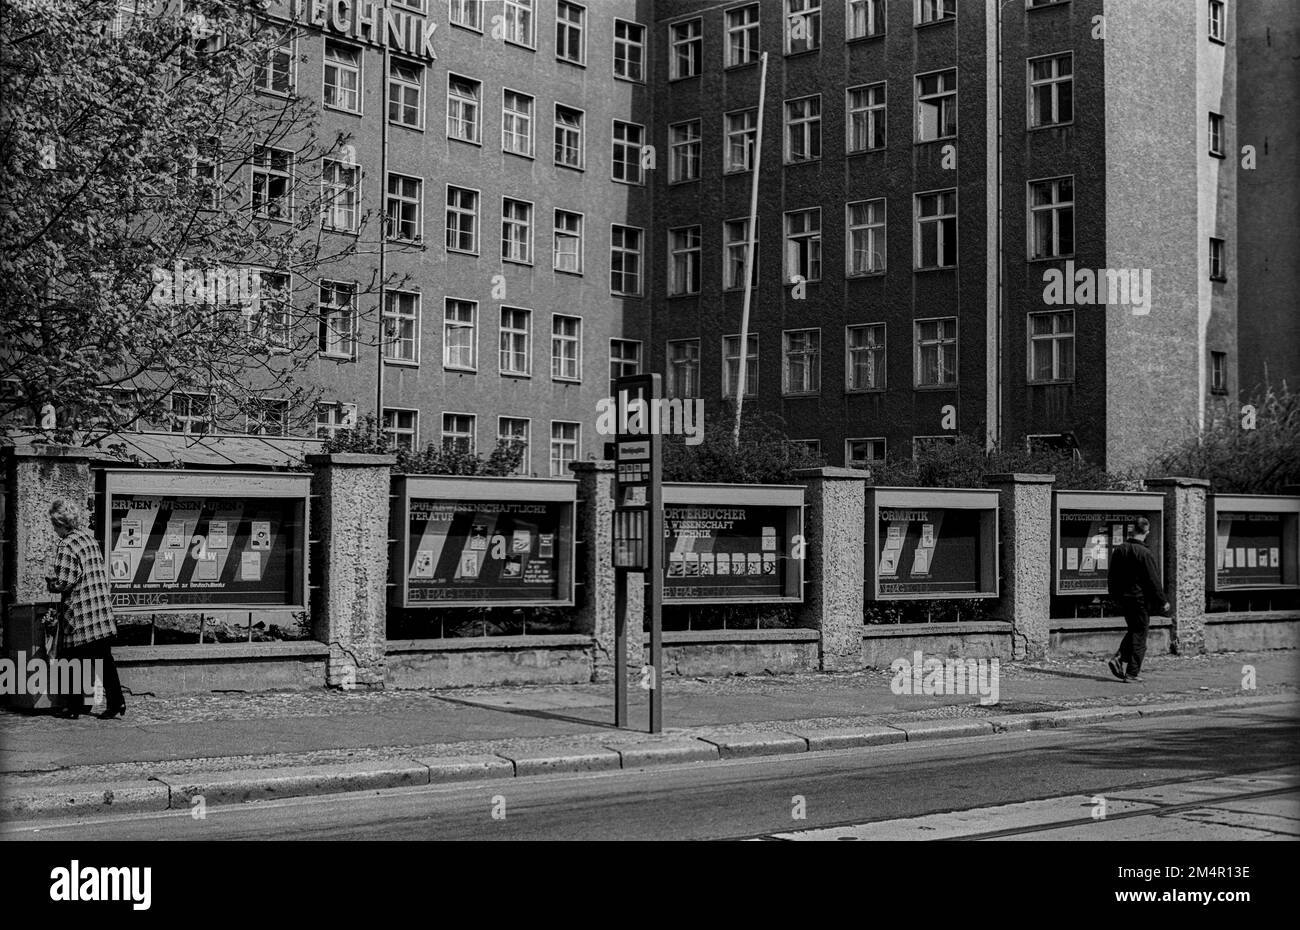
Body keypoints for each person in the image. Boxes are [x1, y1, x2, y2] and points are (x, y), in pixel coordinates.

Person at [44, 499, 126, 719]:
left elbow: (65, 581)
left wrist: (51, 583)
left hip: (81, 613)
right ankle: (117, 702)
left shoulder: (67, 544)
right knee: (104, 659)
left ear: (60, 523)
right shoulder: (88, 538)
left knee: (71, 660)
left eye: (54, 524)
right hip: (100, 611)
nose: (54, 529)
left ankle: (74, 707)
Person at [1106, 517, 1169, 683]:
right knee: (1140, 635)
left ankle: (1119, 658)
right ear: (1146, 532)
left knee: (1134, 630)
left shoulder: (1119, 550)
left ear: (1132, 530)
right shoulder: (1145, 553)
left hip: (1124, 599)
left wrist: (1114, 596)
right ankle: (1132, 672)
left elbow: (1112, 577)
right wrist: (1162, 600)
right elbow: (1152, 580)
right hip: (1140, 599)